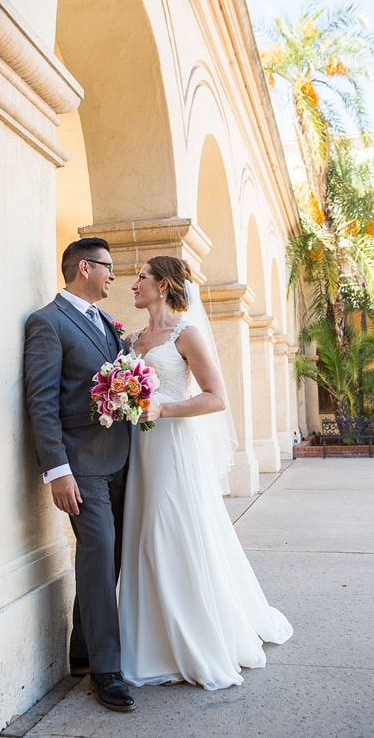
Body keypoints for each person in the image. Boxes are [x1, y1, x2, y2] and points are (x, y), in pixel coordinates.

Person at [119, 256, 293, 690]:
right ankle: (147, 640)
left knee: (166, 533)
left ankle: (191, 639)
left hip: (171, 448)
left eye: (141, 277)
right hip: (137, 449)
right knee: (140, 536)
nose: (133, 283)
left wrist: (163, 408)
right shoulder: (131, 338)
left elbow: (216, 398)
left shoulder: (186, 334)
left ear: (163, 285)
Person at [23, 237, 135, 712]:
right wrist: (58, 471)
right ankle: (107, 671)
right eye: (108, 267)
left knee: (109, 561)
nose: (114, 275)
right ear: (84, 268)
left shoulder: (108, 323)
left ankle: (84, 654)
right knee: (97, 555)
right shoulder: (47, 323)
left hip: (122, 459)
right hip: (81, 468)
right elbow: (41, 403)